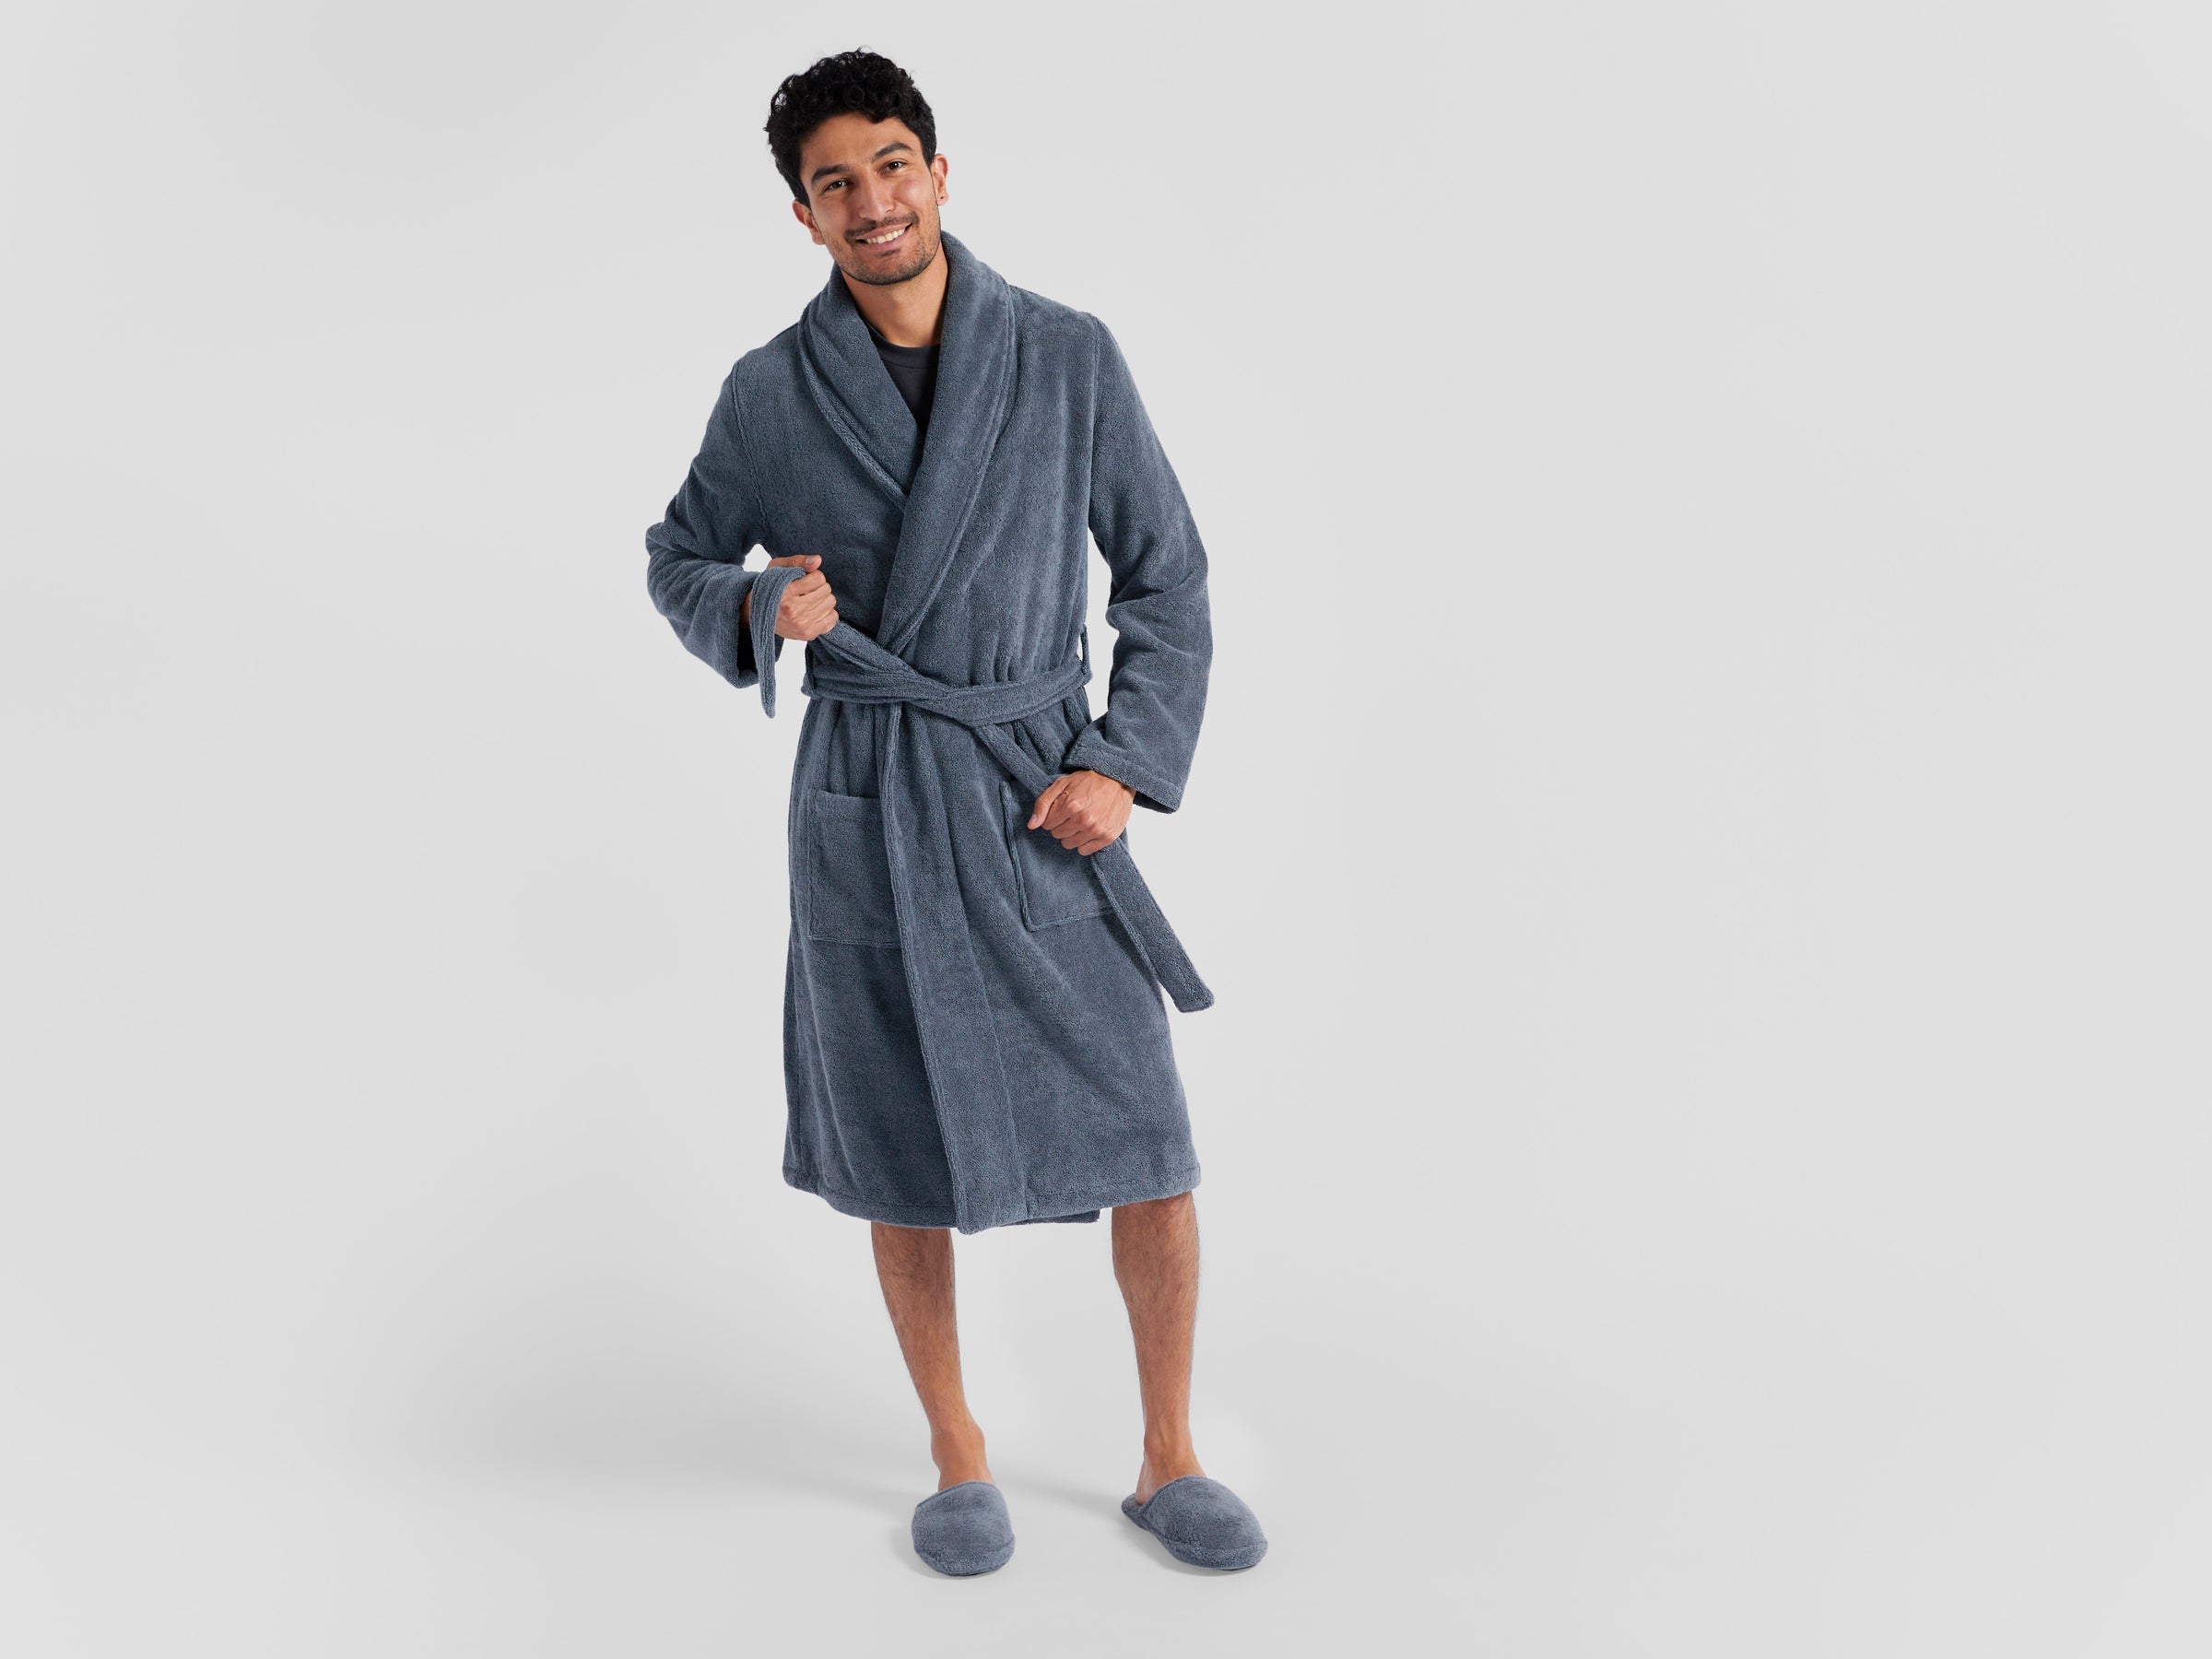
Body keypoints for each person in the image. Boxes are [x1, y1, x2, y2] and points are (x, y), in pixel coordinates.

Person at [642, 49, 1265, 1577]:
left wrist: (1122, 762)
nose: (872, 202)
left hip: (1034, 785)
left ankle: (1168, 1453)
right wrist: (756, 603)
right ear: (802, 215)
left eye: (892, 165)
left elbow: (1167, 576)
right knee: (897, 1133)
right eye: (834, 183)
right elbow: (676, 554)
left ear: (938, 172)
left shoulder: (1066, 356)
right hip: (871, 801)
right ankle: (957, 1450)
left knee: (1150, 1139)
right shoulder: (770, 394)